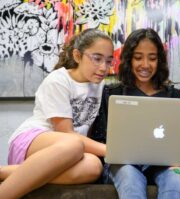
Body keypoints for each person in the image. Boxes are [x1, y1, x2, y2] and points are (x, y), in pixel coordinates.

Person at [0, 28, 115, 198]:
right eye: (97, 59)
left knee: (93, 166)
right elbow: (67, 133)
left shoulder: (98, 86)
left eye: (108, 61)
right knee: (74, 144)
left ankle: (8, 172)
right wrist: (112, 150)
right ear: (77, 56)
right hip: (32, 140)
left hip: (68, 153)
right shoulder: (59, 80)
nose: (103, 67)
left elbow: (85, 130)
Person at [89, 28, 180, 199]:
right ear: (128, 59)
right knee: (129, 178)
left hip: (163, 165)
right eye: (138, 57)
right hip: (123, 165)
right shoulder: (112, 93)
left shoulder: (174, 95)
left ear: (160, 60)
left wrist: (179, 160)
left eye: (152, 58)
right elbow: (99, 140)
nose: (145, 65)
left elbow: (179, 143)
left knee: (175, 178)